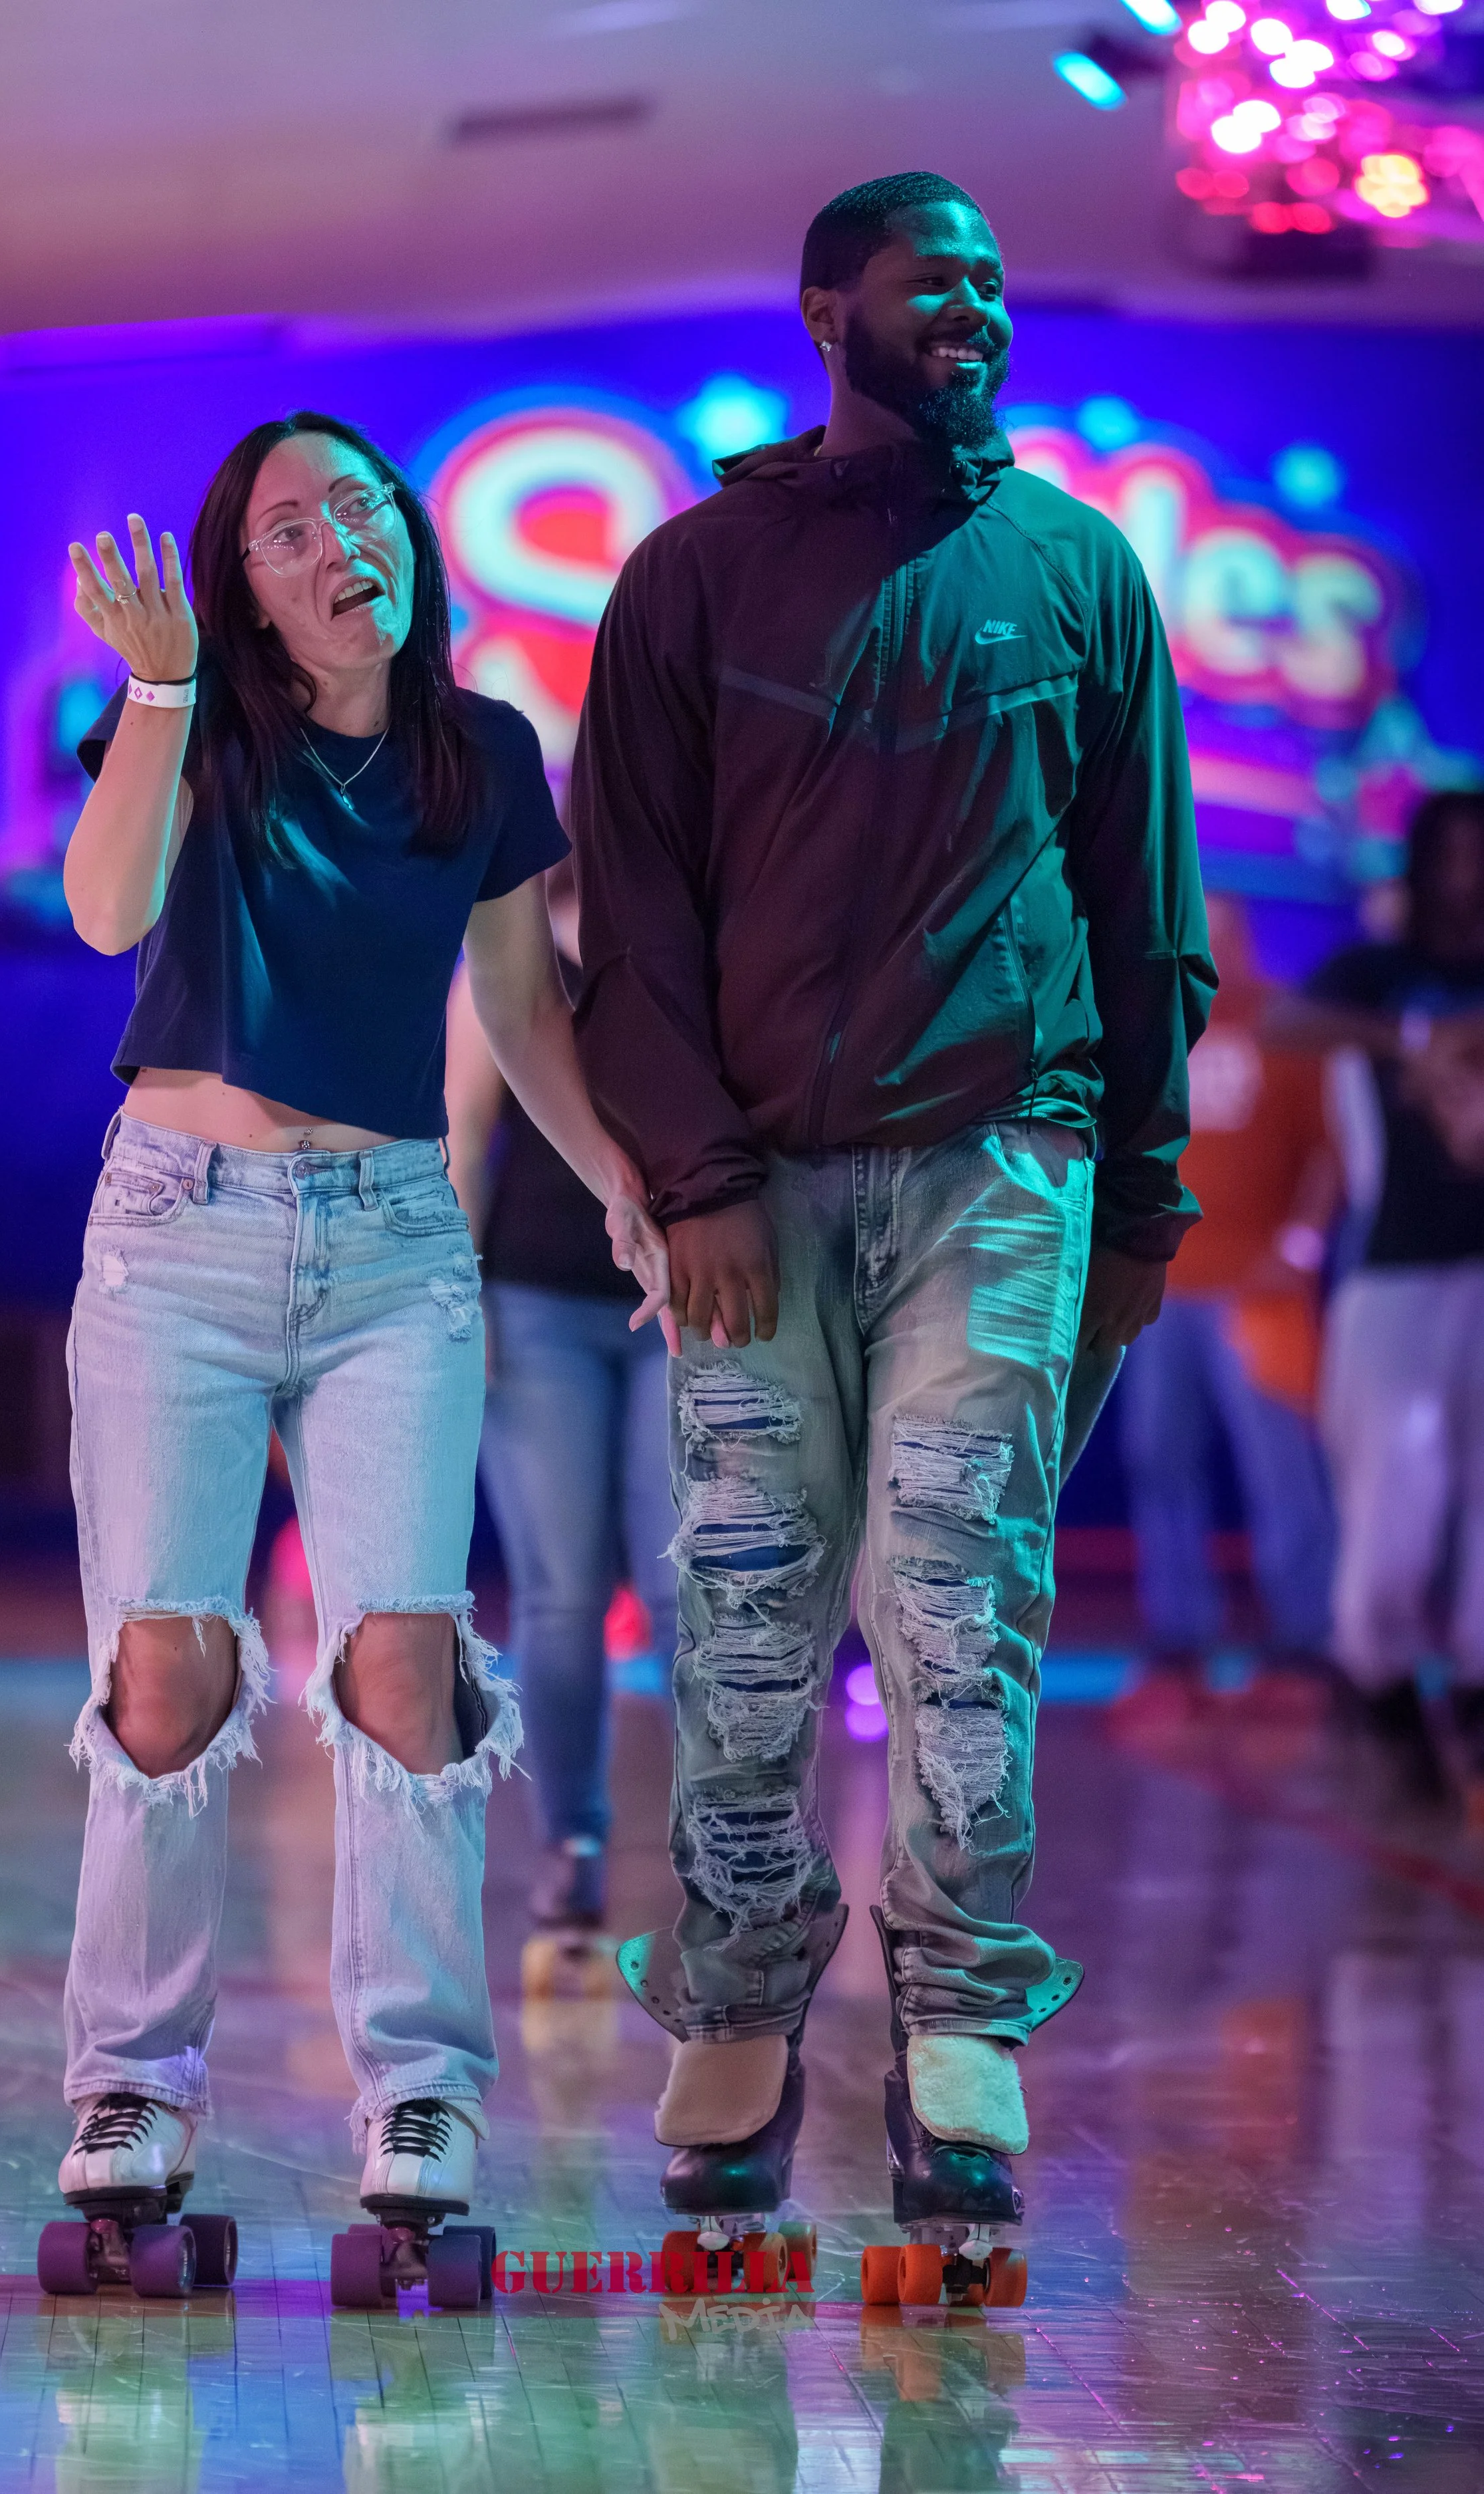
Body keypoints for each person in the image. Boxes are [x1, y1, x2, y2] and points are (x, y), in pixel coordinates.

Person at [569, 173, 1213, 2240]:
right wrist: (695, 1176)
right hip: (750, 1183)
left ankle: (958, 2020)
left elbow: (1145, 922)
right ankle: (741, 2003)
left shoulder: (1075, 574)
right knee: (750, 1615)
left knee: (957, 1603)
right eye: (933, 280)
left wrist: (1135, 1196)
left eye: (994, 283)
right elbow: (633, 928)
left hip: (1000, 1167)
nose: (977, 309)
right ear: (821, 312)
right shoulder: (687, 578)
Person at [54, 412, 670, 2238]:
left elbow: (516, 1000)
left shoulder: (478, 752)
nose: (344, 542)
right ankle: (130, 2089)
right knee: (166, 1669)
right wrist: (159, 697)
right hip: (176, 1229)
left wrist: (622, 1179)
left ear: (408, 540)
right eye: (291, 524)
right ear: (244, 588)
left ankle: (420, 2093)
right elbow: (104, 913)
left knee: (406, 1662)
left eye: (363, 509)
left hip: (397, 1240)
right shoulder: (203, 728)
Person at [444, 856, 678, 1962]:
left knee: (692, 1590)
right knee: (560, 1593)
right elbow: (460, 1133)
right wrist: (462, 1300)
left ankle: (724, 1849)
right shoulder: (505, 948)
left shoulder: (685, 947)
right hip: (534, 1305)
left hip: (679, 1302)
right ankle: (572, 1845)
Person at [1272, 791, 1484, 1808]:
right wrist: (1414, 1038)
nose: (1467, 878)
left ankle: (1470, 1703)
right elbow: (1285, 1020)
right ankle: (1378, 1680)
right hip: (1390, 1274)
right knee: (1394, 1510)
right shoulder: (1375, 974)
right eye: (1451, 856)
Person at [1114, 891, 1338, 1734]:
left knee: (1278, 1466)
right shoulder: (1152, 1027)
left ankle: (1303, 1643)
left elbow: (1333, 1148)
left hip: (1258, 1290)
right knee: (1156, 1458)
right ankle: (1179, 1639)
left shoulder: (1291, 1026)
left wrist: (1303, 1245)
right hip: (1165, 1289)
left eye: (1219, 926)